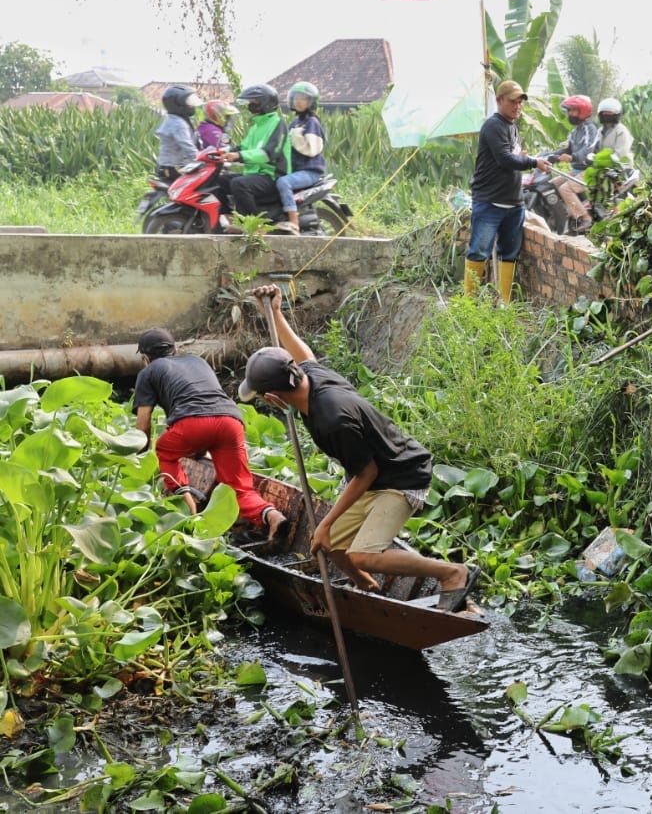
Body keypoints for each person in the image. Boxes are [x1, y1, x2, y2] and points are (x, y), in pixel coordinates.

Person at [240, 285, 480, 611]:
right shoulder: (309, 376)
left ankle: (453, 573)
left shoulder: (332, 419)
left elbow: (367, 473)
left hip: (401, 476)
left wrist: (325, 523)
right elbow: (304, 354)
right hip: (377, 472)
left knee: (360, 553)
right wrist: (278, 313)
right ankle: (365, 584)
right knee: (330, 546)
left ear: (273, 398)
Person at [132, 327, 288, 539]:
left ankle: (189, 511)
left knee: (165, 449)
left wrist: (138, 459)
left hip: (192, 423)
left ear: (145, 358)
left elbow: (143, 426)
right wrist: (198, 452)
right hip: (230, 421)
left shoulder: (148, 372)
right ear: (175, 349)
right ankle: (271, 514)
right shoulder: (197, 362)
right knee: (239, 488)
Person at [465, 79, 553, 302]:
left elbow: (512, 157)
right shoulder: (493, 126)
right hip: (490, 202)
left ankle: (505, 302)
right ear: (499, 101)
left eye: (520, 103)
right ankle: (468, 303)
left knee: (509, 253)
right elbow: (504, 159)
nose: (517, 106)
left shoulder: (511, 128)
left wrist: (525, 158)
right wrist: (534, 162)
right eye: (512, 102)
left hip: (513, 204)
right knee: (479, 251)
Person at [223, 83, 289, 231]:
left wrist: (239, 156)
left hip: (273, 174)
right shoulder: (257, 126)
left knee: (239, 184)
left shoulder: (277, 124)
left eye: (255, 102)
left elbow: (269, 153)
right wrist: (224, 152)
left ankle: (257, 224)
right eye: (250, 103)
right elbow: (244, 147)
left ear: (266, 103)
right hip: (256, 173)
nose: (251, 106)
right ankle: (232, 219)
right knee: (221, 181)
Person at [273, 81, 327, 235]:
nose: (298, 101)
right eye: (296, 98)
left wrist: (297, 138)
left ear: (311, 102)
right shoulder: (295, 122)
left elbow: (312, 149)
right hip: (296, 169)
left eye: (303, 98)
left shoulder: (312, 122)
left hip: (310, 170)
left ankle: (293, 221)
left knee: (283, 182)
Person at [551, 95, 599, 234]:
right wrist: (552, 155)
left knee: (565, 188)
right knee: (553, 184)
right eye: (569, 110)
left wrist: (572, 157)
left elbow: (588, 149)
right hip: (577, 170)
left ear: (582, 110)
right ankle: (569, 212)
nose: (569, 114)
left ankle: (586, 218)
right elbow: (568, 148)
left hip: (590, 170)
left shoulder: (590, 129)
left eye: (572, 110)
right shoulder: (575, 131)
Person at [155, 85, 202, 180]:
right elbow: (187, 145)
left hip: (169, 165)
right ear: (178, 104)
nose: (191, 105)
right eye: (188, 102)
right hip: (175, 167)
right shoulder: (178, 124)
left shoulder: (173, 119)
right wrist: (201, 158)